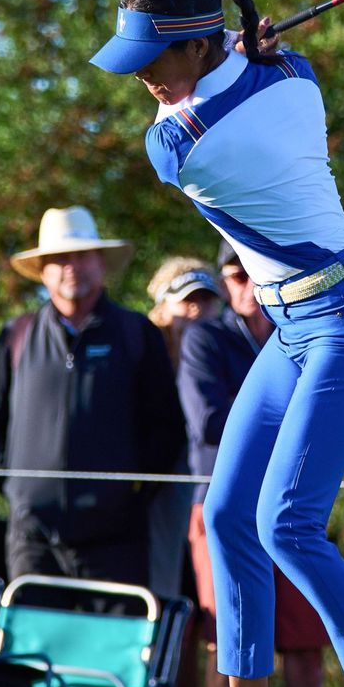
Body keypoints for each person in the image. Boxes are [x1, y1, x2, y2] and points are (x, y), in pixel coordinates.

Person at [88, 0, 344, 687]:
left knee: (287, 520)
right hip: (296, 324)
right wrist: (246, 55)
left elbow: (172, 135)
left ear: (198, 46)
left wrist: (239, 55)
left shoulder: (188, 145)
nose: (141, 79)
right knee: (228, 510)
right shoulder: (292, 77)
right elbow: (260, 74)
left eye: (152, 60)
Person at [0, 206, 186, 586]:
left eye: (83, 256)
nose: (72, 267)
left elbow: (167, 427)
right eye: (60, 259)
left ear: (100, 262)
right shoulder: (16, 335)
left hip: (117, 543)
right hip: (33, 544)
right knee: (33, 629)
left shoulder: (136, 333)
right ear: (43, 272)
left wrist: (129, 497)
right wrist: (15, 489)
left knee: (116, 630)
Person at [178, 241, 330, 687]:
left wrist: (267, 413)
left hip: (291, 497)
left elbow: (327, 410)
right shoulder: (204, 337)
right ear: (225, 283)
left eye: (254, 272)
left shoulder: (300, 333)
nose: (247, 284)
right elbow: (208, 422)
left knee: (304, 632)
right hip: (222, 499)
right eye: (236, 275)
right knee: (225, 630)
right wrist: (294, 417)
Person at [146, 255, 220, 602]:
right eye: (187, 299)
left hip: (205, 490)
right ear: (162, 307)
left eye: (205, 299)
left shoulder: (230, 351)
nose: (197, 309)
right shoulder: (143, 352)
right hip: (157, 489)